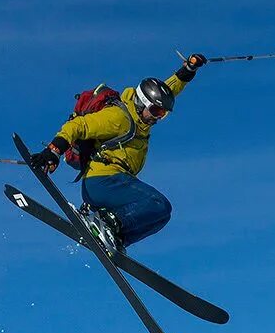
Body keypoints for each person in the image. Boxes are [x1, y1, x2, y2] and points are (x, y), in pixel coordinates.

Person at [28, 53, 209, 252]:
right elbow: (78, 126)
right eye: (157, 112)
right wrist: (53, 151)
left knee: (160, 216)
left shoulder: (141, 122)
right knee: (158, 205)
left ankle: (116, 239)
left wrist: (188, 71)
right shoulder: (119, 117)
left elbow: (170, 90)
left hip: (113, 186)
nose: (158, 118)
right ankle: (108, 223)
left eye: (163, 114)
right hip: (103, 182)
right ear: (142, 102)